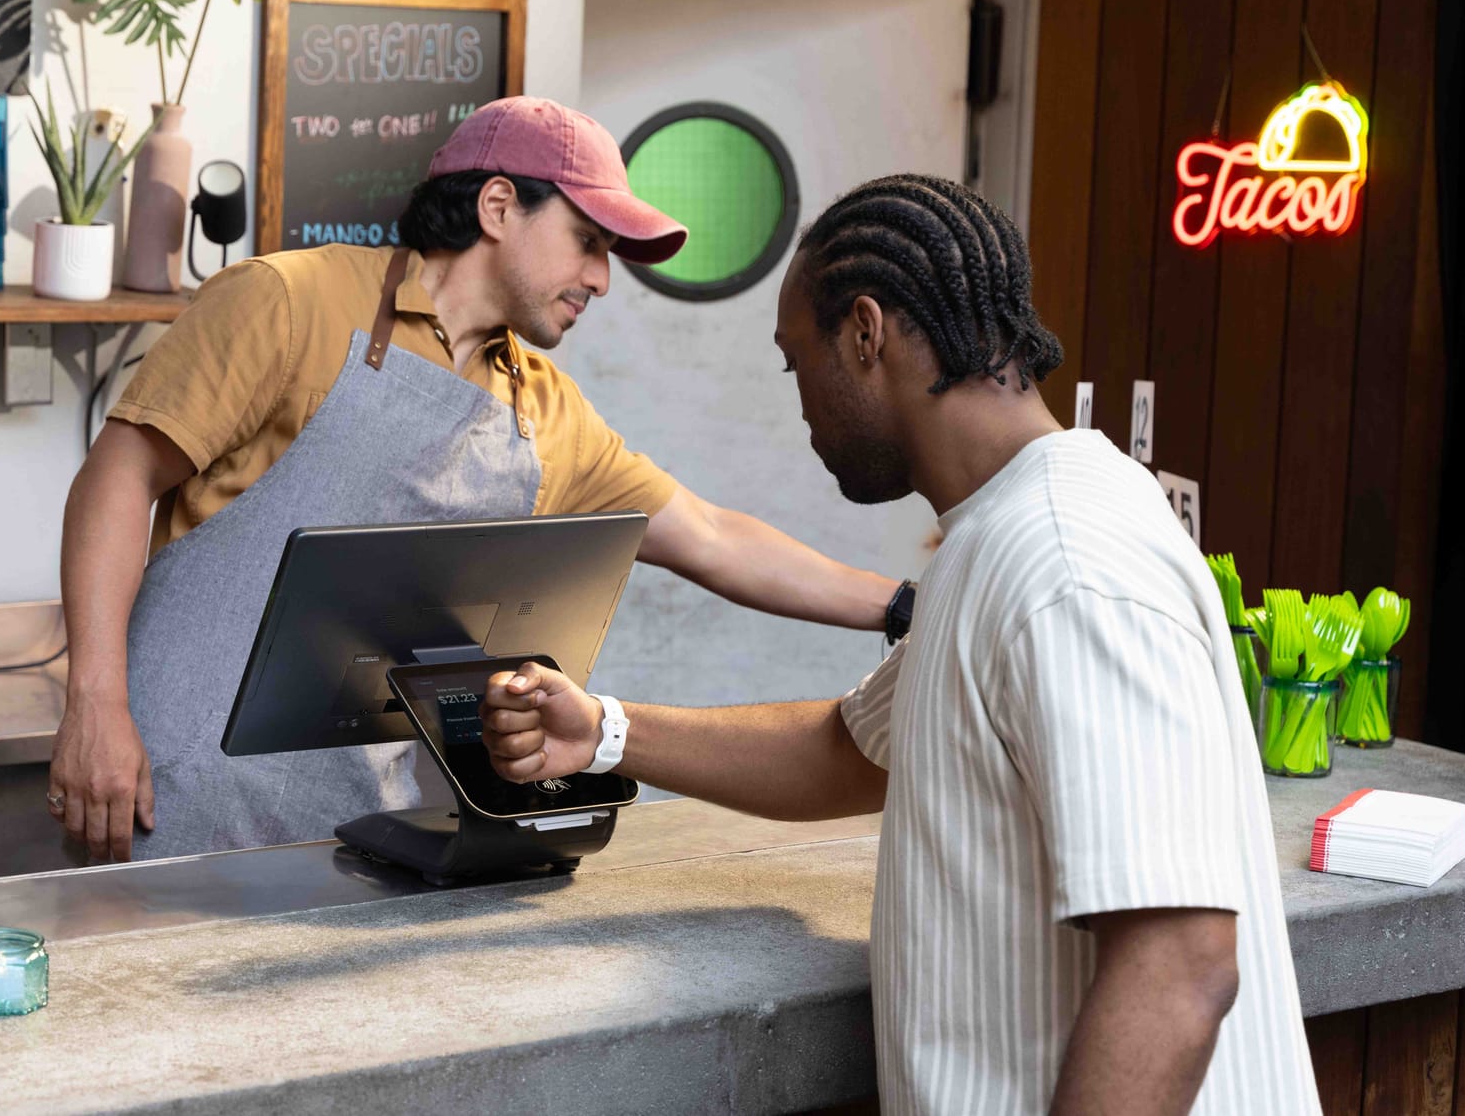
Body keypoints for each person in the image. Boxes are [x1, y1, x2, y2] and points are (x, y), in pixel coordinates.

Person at [479, 175, 1321, 1115]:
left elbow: (1180, 964)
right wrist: (600, 734)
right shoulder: (992, 541)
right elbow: (850, 748)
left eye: (798, 365)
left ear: (866, 334)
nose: (801, 410)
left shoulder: (1067, 559)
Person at [52, 97, 908, 862]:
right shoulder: (287, 300)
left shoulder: (543, 411)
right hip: (172, 801)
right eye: (588, 242)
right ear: (499, 205)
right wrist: (95, 703)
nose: (603, 279)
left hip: (361, 841)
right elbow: (117, 479)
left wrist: (904, 604)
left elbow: (714, 538)